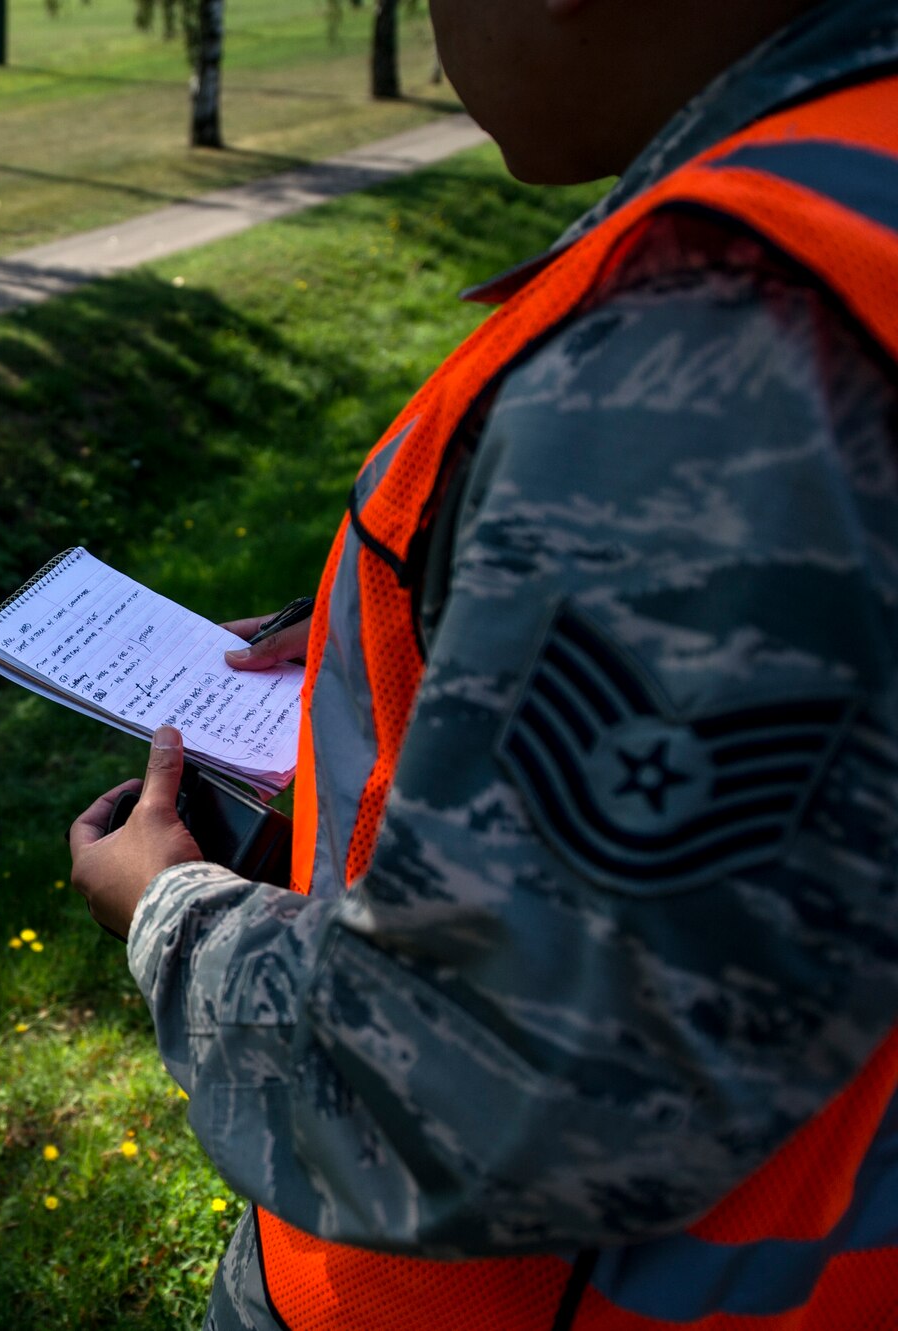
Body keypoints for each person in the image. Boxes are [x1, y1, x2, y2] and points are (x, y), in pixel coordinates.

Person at [67, 1, 898, 1327]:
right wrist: (469, 596)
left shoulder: (718, 335)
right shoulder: (861, 198)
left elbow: (498, 1086)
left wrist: (171, 917)